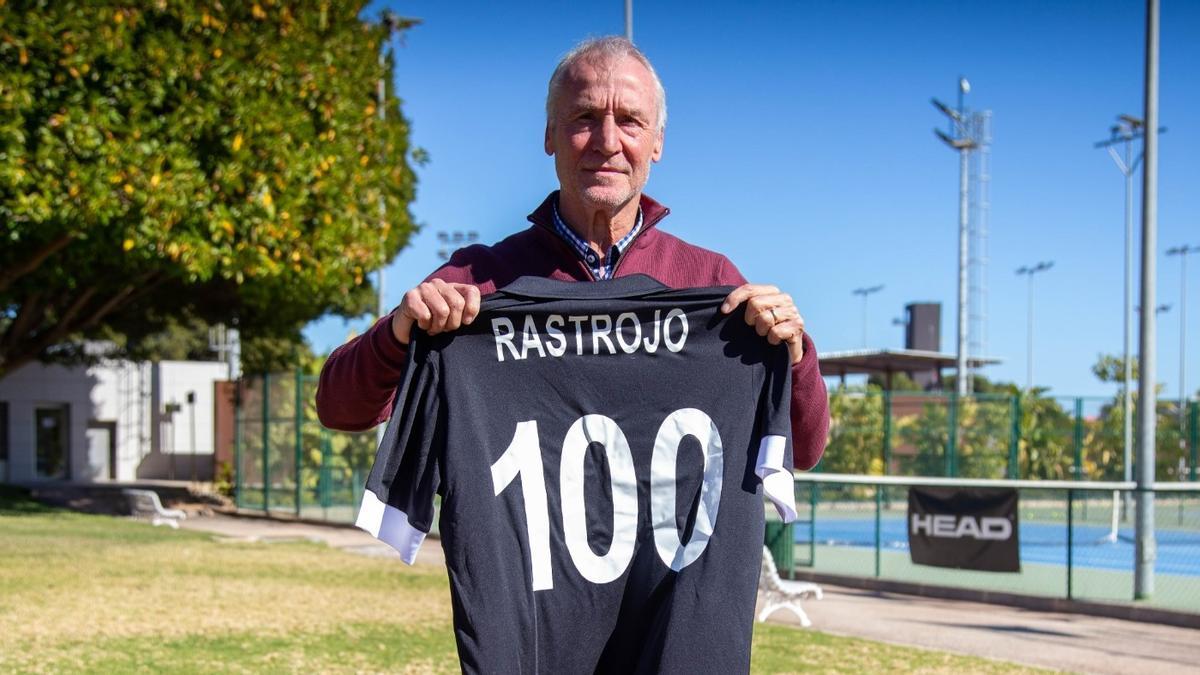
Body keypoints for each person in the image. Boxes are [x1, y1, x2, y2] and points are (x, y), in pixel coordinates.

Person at [316, 36, 828, 470]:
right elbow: (339, 407)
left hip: (666, 587)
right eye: (584, 117)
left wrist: (793, 353)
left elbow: (802, 450)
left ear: (657, 143)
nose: (607, 141)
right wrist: (399, 330)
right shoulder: (478, 280)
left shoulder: (710, 284)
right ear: (548, 136)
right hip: (526, 587)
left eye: (630, 121)